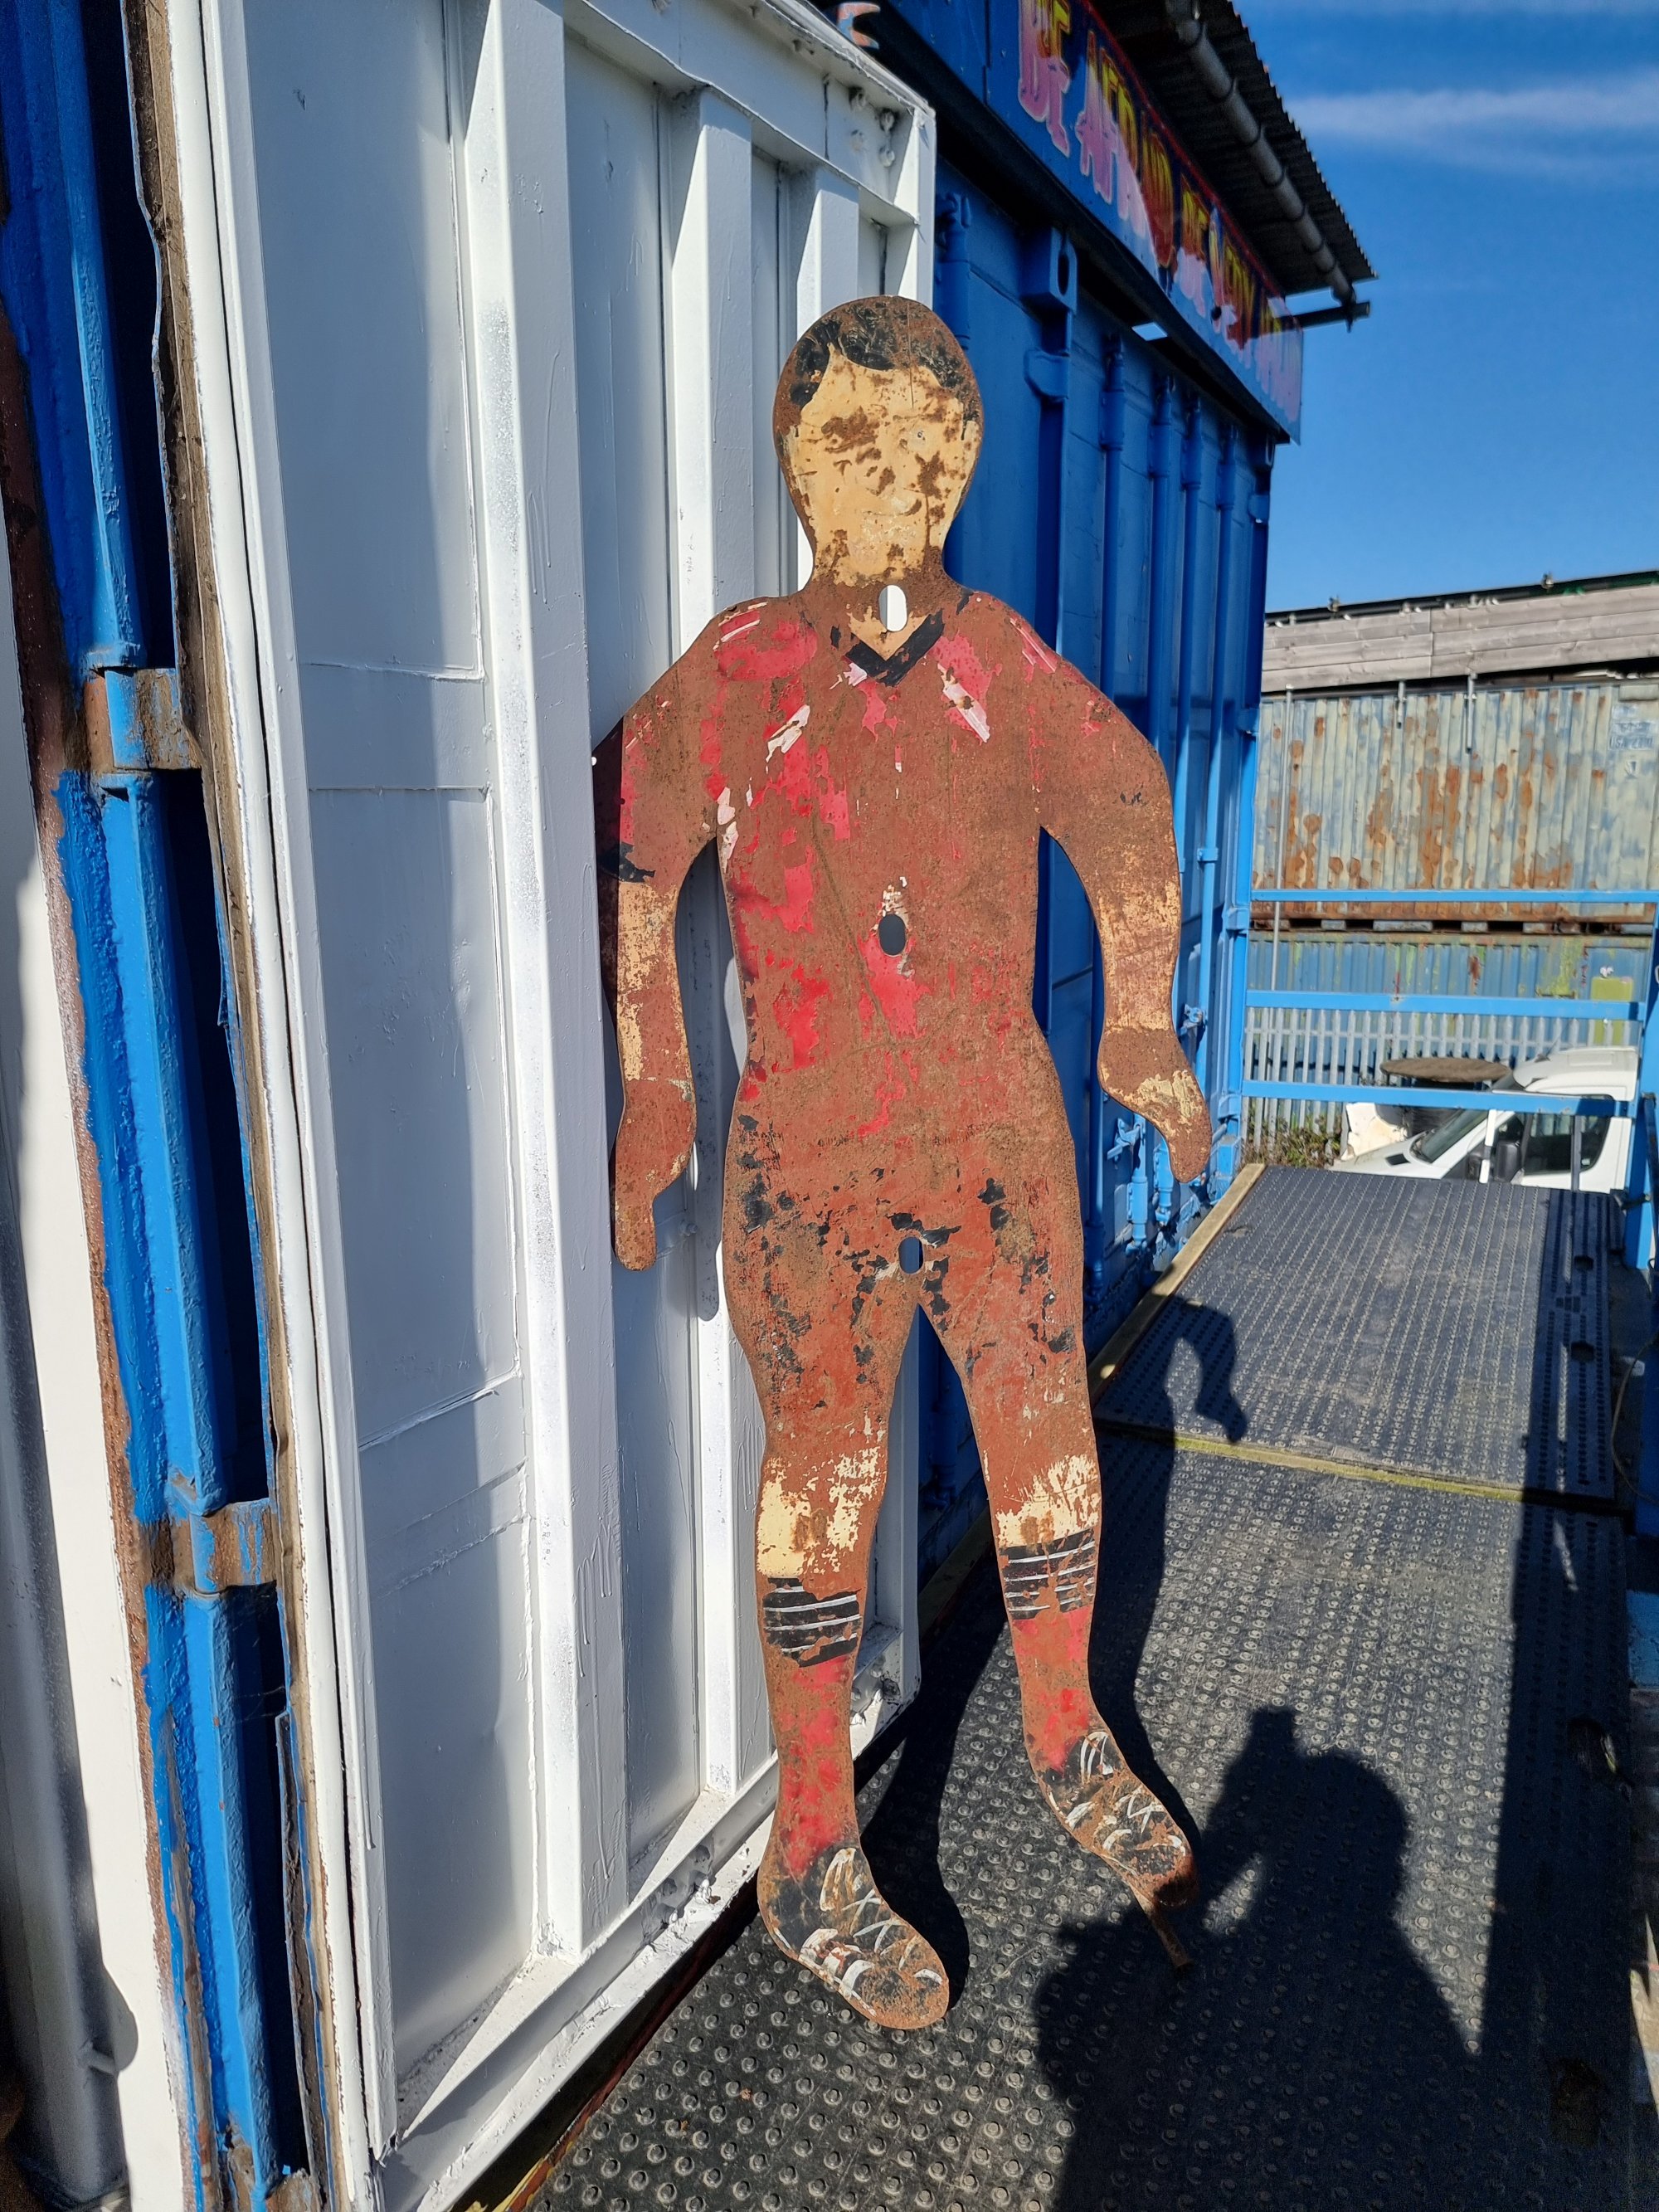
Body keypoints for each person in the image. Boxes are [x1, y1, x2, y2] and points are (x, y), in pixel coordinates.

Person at [596, 297, 1210, 2030]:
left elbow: (1124, 799)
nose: (888, 477)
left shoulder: (998, 663)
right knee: (826, 1477)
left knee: (1044, 1443)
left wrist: (1139, 1021)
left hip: (1000, 1144)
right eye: (847, 443)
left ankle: (1067, 1733)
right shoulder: (737, 677)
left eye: (921, 444)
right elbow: (639, 862)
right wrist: (652, 1092)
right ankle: (809, 1845)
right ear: (793, 465)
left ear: (964, 463)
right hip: (809, 1166)